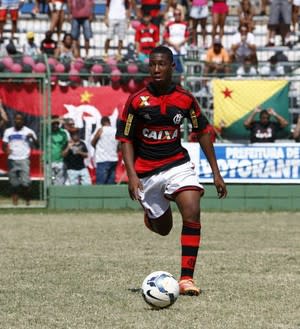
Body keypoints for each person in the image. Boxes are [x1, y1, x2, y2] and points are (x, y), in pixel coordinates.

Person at [116, 46, 227, 295]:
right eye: (152, 64)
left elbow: (203, 133)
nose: (156, 69)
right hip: (146, 173)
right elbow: (125, 138)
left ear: (172, 66)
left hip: (178, 164)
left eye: (162, 64)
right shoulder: (137, 100)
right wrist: (132, 176)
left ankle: (186, 278)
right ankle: (151, 217)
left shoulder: (185, 99)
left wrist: (216, 173)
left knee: (192, 209)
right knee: (164, 229)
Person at [2, 113, 39, 205]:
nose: (18, 121)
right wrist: (6, 150)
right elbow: (4, 144)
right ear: (14, 120)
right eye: (16, 119)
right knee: (14, 183)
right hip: (12, 159)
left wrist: (33, 138)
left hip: (24, 159)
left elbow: (37, 146)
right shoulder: (8, 131)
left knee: (25, 183)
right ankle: (15, 201)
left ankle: (27, 199)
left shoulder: (28, 131)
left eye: (20, 119)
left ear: (23, 121)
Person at [91, 116, 119, 184]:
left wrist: (97, 147)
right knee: (110, 184)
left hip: (102, 159)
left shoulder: (101, 130)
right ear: (109, 122)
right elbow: (120, 145)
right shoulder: (115, 130)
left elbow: (93, 142)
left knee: (101, 184)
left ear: (102, 123)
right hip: (113, 159)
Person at [163, 8, 190, 73]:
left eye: (179, 14)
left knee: (182, 70)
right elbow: (165, 37)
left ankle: (181, 83)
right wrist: (174, 46)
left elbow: (187, 37)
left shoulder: (185, 24)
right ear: (173, 15)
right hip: (172, 51)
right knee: (173, 70)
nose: (177, 16)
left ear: (181, 15)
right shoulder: (169, 25)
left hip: (182, 51)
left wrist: (179, 45)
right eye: (175, 14)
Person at [50, 116, 68, 185]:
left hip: (60, 160)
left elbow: (65, 145)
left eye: (57, 123)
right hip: (49, 161)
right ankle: (51, 193)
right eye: (53, 124)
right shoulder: (46, 132)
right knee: (51, 178)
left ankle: (58, 194)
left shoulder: (63, 133)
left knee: (59, 179)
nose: (55, 125)